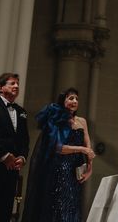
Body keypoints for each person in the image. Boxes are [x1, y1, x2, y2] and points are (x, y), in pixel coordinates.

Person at [22, 87, 95, 222]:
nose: (74, 101)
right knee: (58, 205)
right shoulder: (57, 119)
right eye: (70, 98)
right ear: (63, 100)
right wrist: (82, 150)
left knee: (72, 206)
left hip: (76, 171)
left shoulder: (82, 121)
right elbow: (57, 147)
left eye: (77, 99)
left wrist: (90, 168)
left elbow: (88, 147)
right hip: (59, 168)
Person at [0, 73, 30, 222]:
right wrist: (4, 155)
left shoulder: (21, 111)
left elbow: (24, 139)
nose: (16, 86)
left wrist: (22, 157)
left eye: (17, 84)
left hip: (11, 171)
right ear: (0, 87)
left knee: (5, 210)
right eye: (12, 83)